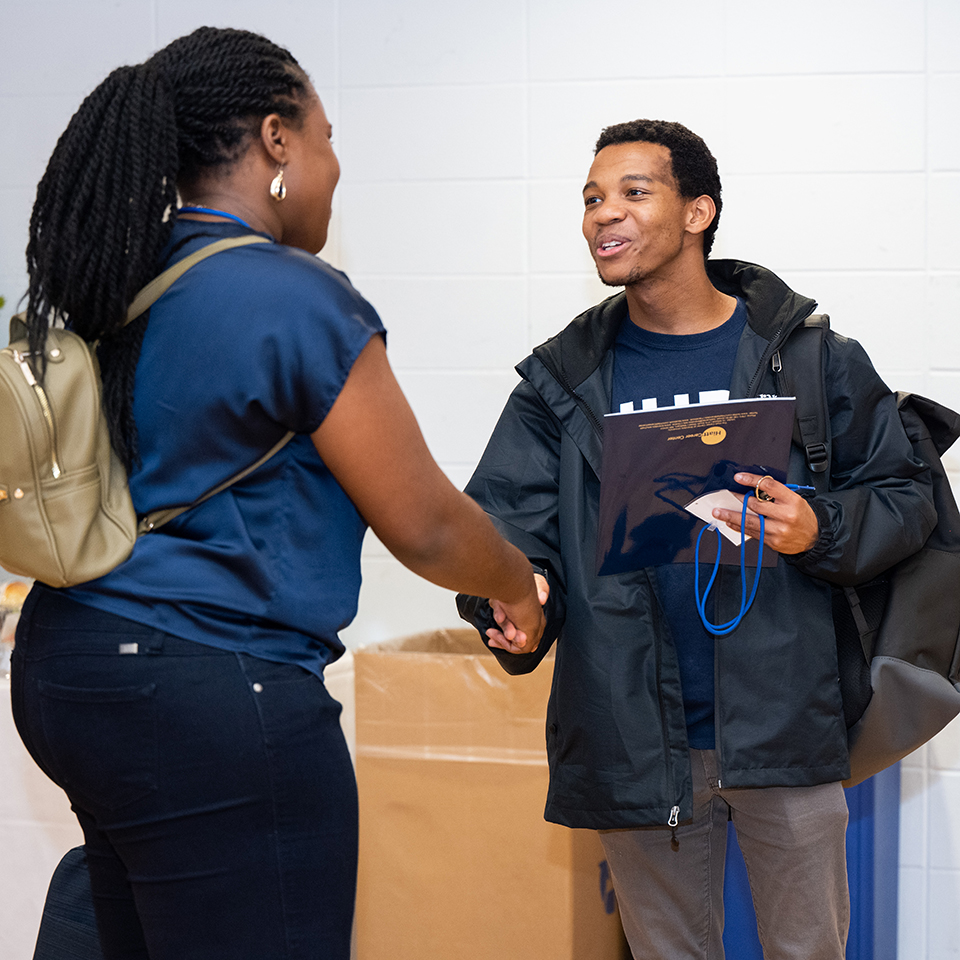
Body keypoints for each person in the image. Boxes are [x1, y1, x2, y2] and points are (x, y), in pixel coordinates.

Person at [11, 26, 544, 960]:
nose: (336, 167)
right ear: (276, 141)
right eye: (327, 136)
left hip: (70, 667)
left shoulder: (108, 275)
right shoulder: (293, 296)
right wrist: (513, 579)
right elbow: (420, 522)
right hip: (211, 690)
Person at [457, 119, 936, 959]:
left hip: (786, 727)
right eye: (592, 198)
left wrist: (819, 526)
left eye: (634, 193)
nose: (605, 214)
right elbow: (505, 529)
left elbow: (906, 496)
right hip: (634, 736)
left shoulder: (809, 358)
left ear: (698, 212)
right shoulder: (561, 380)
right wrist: (519, 599)